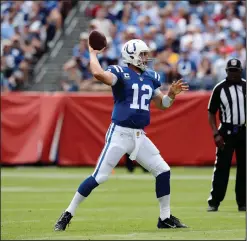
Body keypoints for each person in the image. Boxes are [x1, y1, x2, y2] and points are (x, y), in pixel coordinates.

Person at [54, 39, 189, 231]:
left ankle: (165, 218)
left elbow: (163, 105)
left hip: (139, 136)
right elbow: (98, 73)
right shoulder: (121, 72)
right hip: (119, 133)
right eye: (142, 54)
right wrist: (93, 54)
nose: (146, 57)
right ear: (132, 55)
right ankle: (68, 213)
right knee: (99, 177)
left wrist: (172, 95)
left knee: (163, 170)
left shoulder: (151, 76)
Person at [207, 58, 246, 212]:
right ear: (226, 72)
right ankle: (214, 202)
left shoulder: (245, 86)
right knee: (222, 168)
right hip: (226, 132)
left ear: (241, 71)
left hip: (243, 131)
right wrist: (215, 133)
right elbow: (211, 113)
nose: (233, 74)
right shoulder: (219, 88)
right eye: (231, 71)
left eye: (236, 71)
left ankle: (243, 202)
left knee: (244, 169)